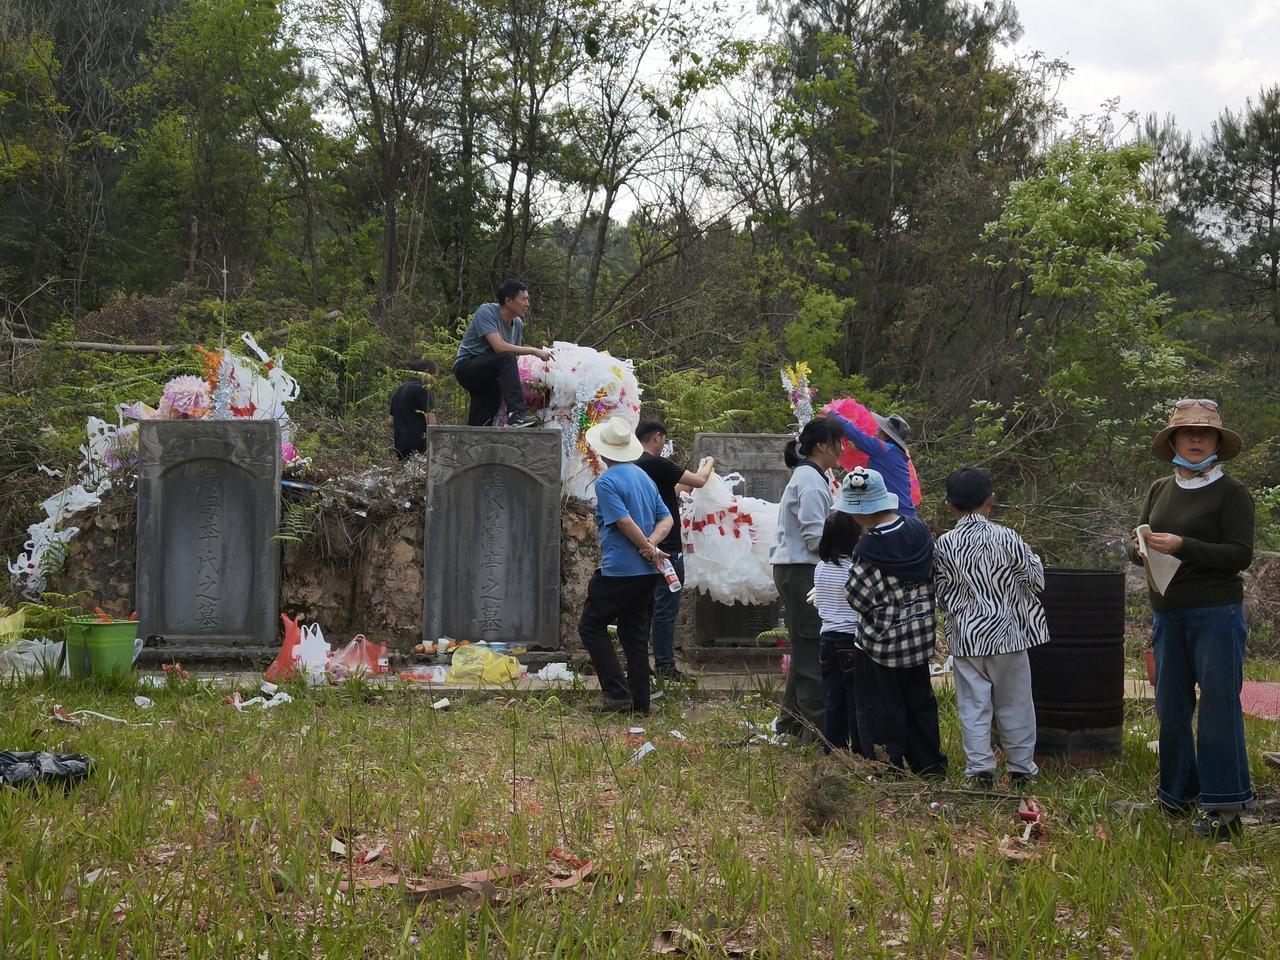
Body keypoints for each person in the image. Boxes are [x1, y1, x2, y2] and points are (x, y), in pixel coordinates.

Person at [1128, 399, 1255, 841]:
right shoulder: (1160, 487)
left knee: (1219, 706)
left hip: (1216, 612)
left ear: (1218, 442)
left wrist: (1184, 545)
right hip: (1167, 612)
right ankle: (1176, 795)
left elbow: (1240, 555)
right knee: (1171, 705)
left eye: (1206, 433)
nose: (1197, 439)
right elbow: (1140, 538)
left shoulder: (1232, 493)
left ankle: (1225, 809)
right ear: (1174, 441)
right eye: (1188, 433)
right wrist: (1139, 545)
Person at [934, 467, 1049, 789]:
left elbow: (940, 590)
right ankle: (1021, 769)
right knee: (1015, 704)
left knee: (973, 705)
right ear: (991, 499)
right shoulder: (1008, 536)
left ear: (949, 505)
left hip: (967, 637)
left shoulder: (944, 544)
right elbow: (1035, 580)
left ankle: (980, 769)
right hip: (1009, 634)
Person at [839, 466, 947, 777]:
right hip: (919, 636)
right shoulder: (917, 529)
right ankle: (929, 764)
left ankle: (886, 766)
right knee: (920, 703)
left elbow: (858, 596)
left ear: (859, 512)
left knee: (881, 708)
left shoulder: (869, 548)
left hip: (881, 646)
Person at [578, 416, 673, 715]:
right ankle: (640, 703)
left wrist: (647, 547)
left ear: (603, 450)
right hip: (646, 572)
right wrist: (653, 547)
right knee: (635, 635)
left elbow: (622, 521)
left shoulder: (607, 481)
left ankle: (617, 693)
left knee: (591, 625)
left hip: (619, 569)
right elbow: (666, 518)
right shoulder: (643, 476)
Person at [769, 417, 844, 741]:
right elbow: (815, 537)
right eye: (838, 442)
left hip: (795, 568)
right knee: (812, 648)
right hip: (802, 571)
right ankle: (821, 732)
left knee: (803, 645)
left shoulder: (810, 476)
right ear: (823, 446)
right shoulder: (811, 481)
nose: (842, 448)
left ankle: (791, 722)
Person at [633, 420, 715, 681]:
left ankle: (639, 664)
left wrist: (681, 487)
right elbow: (700, 480)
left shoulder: (634, 466)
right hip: (667, 549)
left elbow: (673, 489)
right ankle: (666, 666)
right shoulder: (658, 463)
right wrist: (709, 461)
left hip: (642, 546)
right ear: (657, 437)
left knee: (643, 610)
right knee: (666, 610)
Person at [453, 279, 551, 427]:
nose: (527, 304)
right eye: (523, 299)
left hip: (490, 375)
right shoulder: (486, 311)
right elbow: (499, 347)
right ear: (509, 301)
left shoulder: (517, 323)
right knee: (505, 357)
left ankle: (473, 442)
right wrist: (532, 350)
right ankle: (517, 415)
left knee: (484, 415)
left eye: (528, 300)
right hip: (467, 367)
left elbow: (514, 357)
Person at [812, 510, 863, 752]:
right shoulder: (855, 568)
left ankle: (833, 747)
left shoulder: (820, 568)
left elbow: (820, 602)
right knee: (854, 697)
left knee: (832, 696)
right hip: (850, 638)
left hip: (827, 637)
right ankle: (859, 747)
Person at [821, 408, 917, 517]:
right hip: (905, 514)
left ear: (886, 435)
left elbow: (854, 433)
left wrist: (831, 413)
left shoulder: (885, 449)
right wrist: (859, 447)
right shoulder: (893, 452)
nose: (875, 433)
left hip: (896, 515)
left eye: (879, 430)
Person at [388, 360, 439, 460]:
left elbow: (390, 421)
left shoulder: (399, 390)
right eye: (435, 377)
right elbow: (432, 423)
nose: (435, 381)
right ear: (427, 372)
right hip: (419, 451)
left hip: (400, 449)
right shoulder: (424, 389)